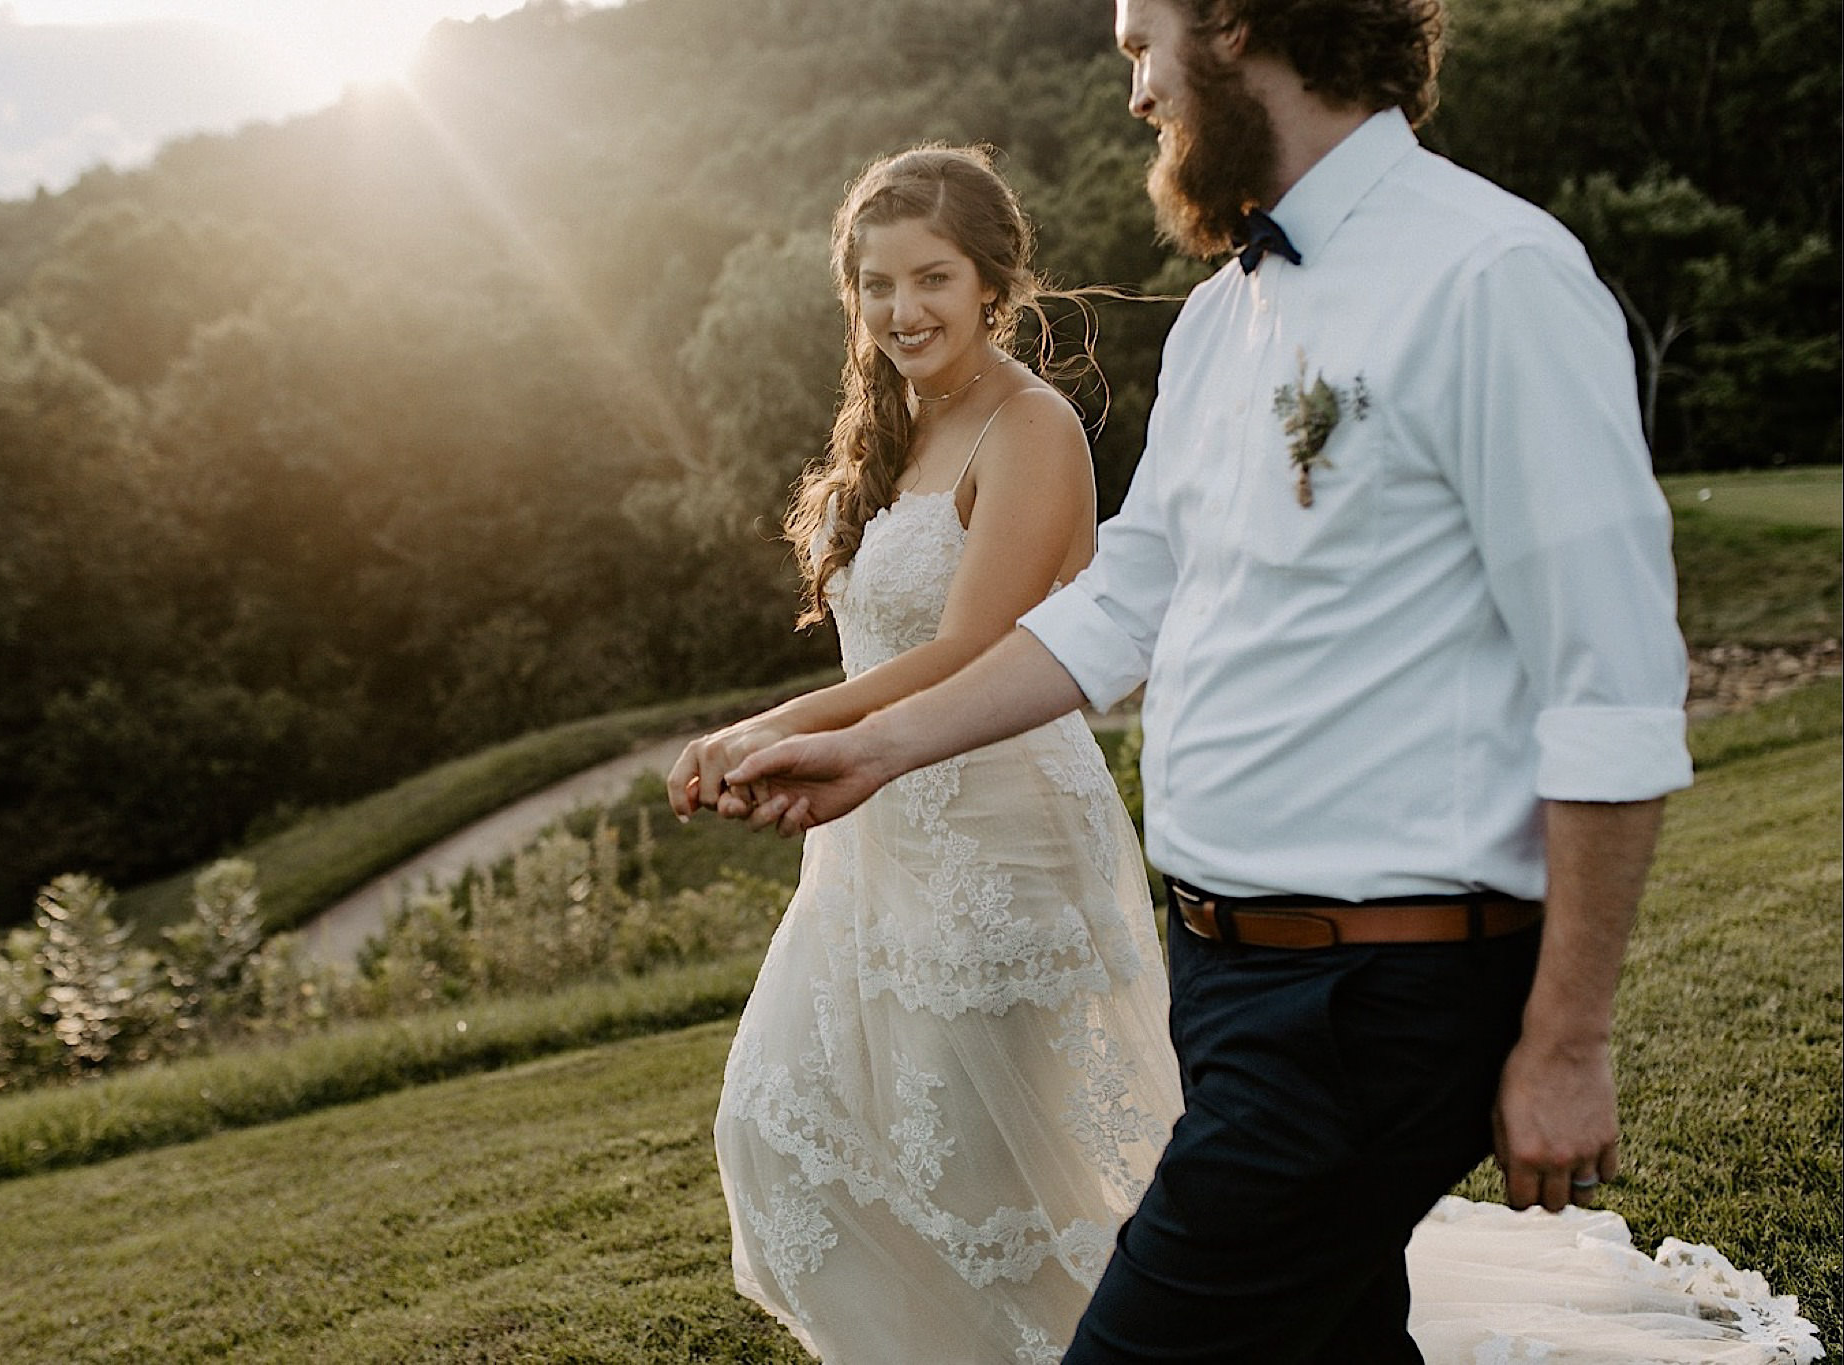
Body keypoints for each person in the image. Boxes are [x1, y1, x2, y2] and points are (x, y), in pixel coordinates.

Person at [712, 1, 1819, 1361]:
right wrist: (879, 748)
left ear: (1235, 25)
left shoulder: (1492, 276)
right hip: (1222, 977)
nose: (1132, 95)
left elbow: (1615, 690)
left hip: (1378, 993)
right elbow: (1121, 604)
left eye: (1139, 47)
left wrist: (1570, 1039)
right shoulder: (1221, 320)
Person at [668, 143, 1187, 1363]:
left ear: (992, 280)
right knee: (775, 1125)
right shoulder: (895, 423)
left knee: (990, 1180)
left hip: (999, 848)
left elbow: (972, 648)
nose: (901, 312)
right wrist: (796, 727)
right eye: (875, 285)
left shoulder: (1030, 426)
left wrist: (774, 726)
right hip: (875, 843)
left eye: (932, 280)